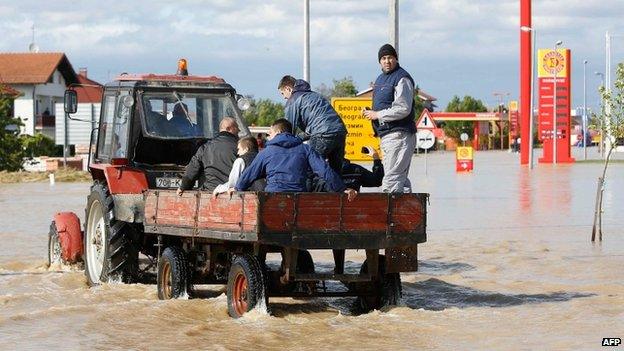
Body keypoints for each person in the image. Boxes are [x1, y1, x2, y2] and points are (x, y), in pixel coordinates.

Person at [233, 118, 357, 201]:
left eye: (269, 133)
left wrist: (237, 188)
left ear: (279, 132)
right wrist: (342, 188)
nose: (268, 136)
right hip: (298, 199)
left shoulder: (266, 152)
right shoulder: (305, 149)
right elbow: (324, 170)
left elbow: (250, 174)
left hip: (272, 198)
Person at [363, 44, 417, 193]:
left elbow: (403, 108)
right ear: (380, 61)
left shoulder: (402, 78)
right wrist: (371, 113)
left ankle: (390, 215)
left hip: (399, 134)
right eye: (384, 58)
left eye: (390, 58)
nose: (387, 61)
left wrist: (378, 114)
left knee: (392, 180)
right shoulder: (380, 79)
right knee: (398, 179)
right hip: (386, 135)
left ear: (396, 59)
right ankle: (407, 213)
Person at [278, 75, 347, 174]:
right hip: (340, 132)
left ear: (288, 89)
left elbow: (288, 130)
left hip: (322, 135)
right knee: (335, 172)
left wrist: (280, 146)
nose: (284, 97)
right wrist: (299, 137)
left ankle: (312, 190)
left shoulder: (293, 99)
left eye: (282, 93)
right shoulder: (315, 95)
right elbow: (313, 128)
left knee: (310, 169)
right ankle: (337, 189)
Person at [177, 117, 239, 195]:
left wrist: (183, 187)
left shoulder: (205, 147)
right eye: (237, 128)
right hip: (232, 192)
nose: (238, 131)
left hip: (209, 192)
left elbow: (192, 170)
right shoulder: (239, 148)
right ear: (228, 128)